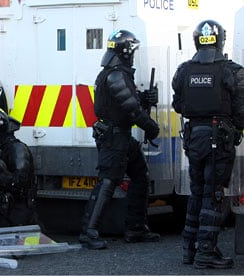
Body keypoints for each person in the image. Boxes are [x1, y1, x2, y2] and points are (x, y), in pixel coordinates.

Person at [172, 20, 244, 269]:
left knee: (197, 191)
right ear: (220, 40)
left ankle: (188, 250)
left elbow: (179, 105)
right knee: (213, 195)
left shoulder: (183, 71)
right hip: (218, 140)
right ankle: (206, 252)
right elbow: (241, 110)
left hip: (194, 138)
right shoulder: (232, 71)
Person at [79, 30, 160, 250]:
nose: (133, 55)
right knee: (107, 182)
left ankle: (135, 227)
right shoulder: (115, 75)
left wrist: (146, 97)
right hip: (114, 138)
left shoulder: (116, 73)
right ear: (125, 52)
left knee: (140, 176)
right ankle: (89, 232)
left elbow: (127, 100)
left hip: (120, 135)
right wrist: (151, 127)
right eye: (132, 51)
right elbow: (131, 108)